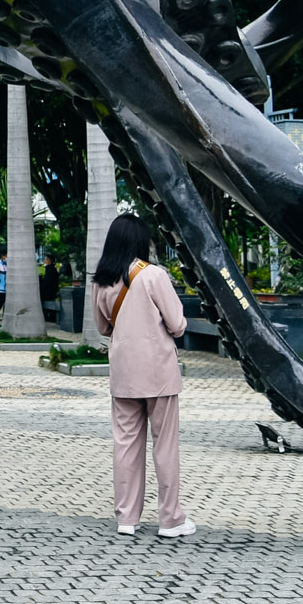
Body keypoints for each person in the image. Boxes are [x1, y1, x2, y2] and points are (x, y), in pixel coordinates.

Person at [93, 214, 193, 538]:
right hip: (158, 372)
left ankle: (126, 518)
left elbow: (102, 328)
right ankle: (170, 520)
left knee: (125, 445)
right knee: (164, 446)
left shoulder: (103, 280)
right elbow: (177, 324)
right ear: (140, 241)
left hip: (123, 372)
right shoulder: (154, 276)